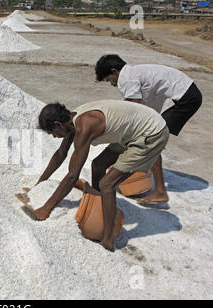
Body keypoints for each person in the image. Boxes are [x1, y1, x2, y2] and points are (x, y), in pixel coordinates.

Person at [34, 100, 169, 252]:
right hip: (133, 130)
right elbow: (60, 154)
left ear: (59, 124)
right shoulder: (73, 120)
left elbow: (72, 175)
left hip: (152, 133)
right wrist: (40, 183)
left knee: (107, 184)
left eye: (52, 133)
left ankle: (108, 240)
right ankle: (101, 208)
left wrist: (46, 208)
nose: (54, 137)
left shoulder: (86, 125)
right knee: (98, 165)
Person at [95, 54, 203, 203]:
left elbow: (135, 110)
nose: (112, 84)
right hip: (188, 93)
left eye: (109, 79)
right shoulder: (134, 73)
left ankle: (160, 192)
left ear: (115, 71)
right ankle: (154, 183)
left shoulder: (127, 78)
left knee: (151, 138)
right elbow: (141, 109)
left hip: (185, 99)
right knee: (149, 135)